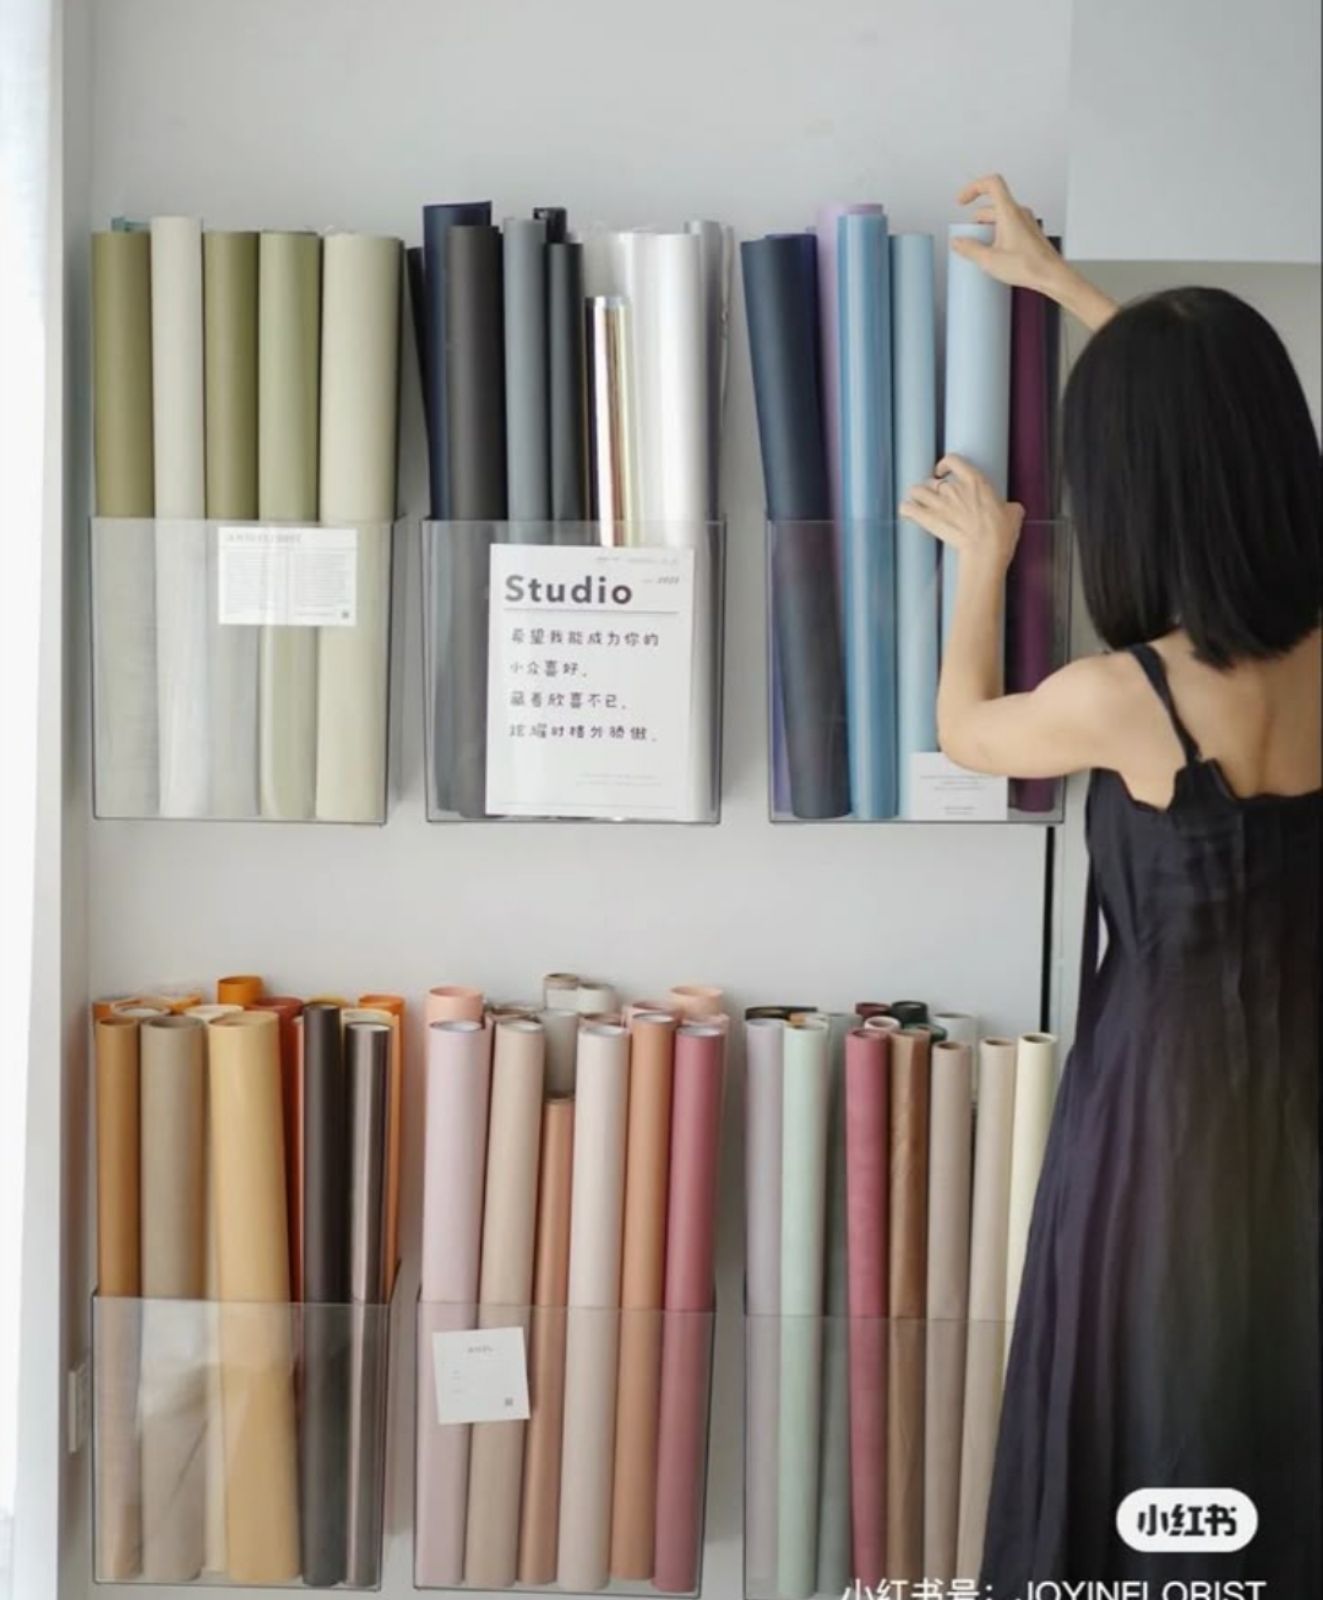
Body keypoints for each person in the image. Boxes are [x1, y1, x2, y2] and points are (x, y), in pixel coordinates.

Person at [901, 174, 1321, 1591]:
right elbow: (1217, 425)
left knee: (1154, 1401)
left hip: (1167, 1122)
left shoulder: (1124, 696)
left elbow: (967, 731)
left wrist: (985, 561)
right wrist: (1071, 293)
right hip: (1303, 1101)